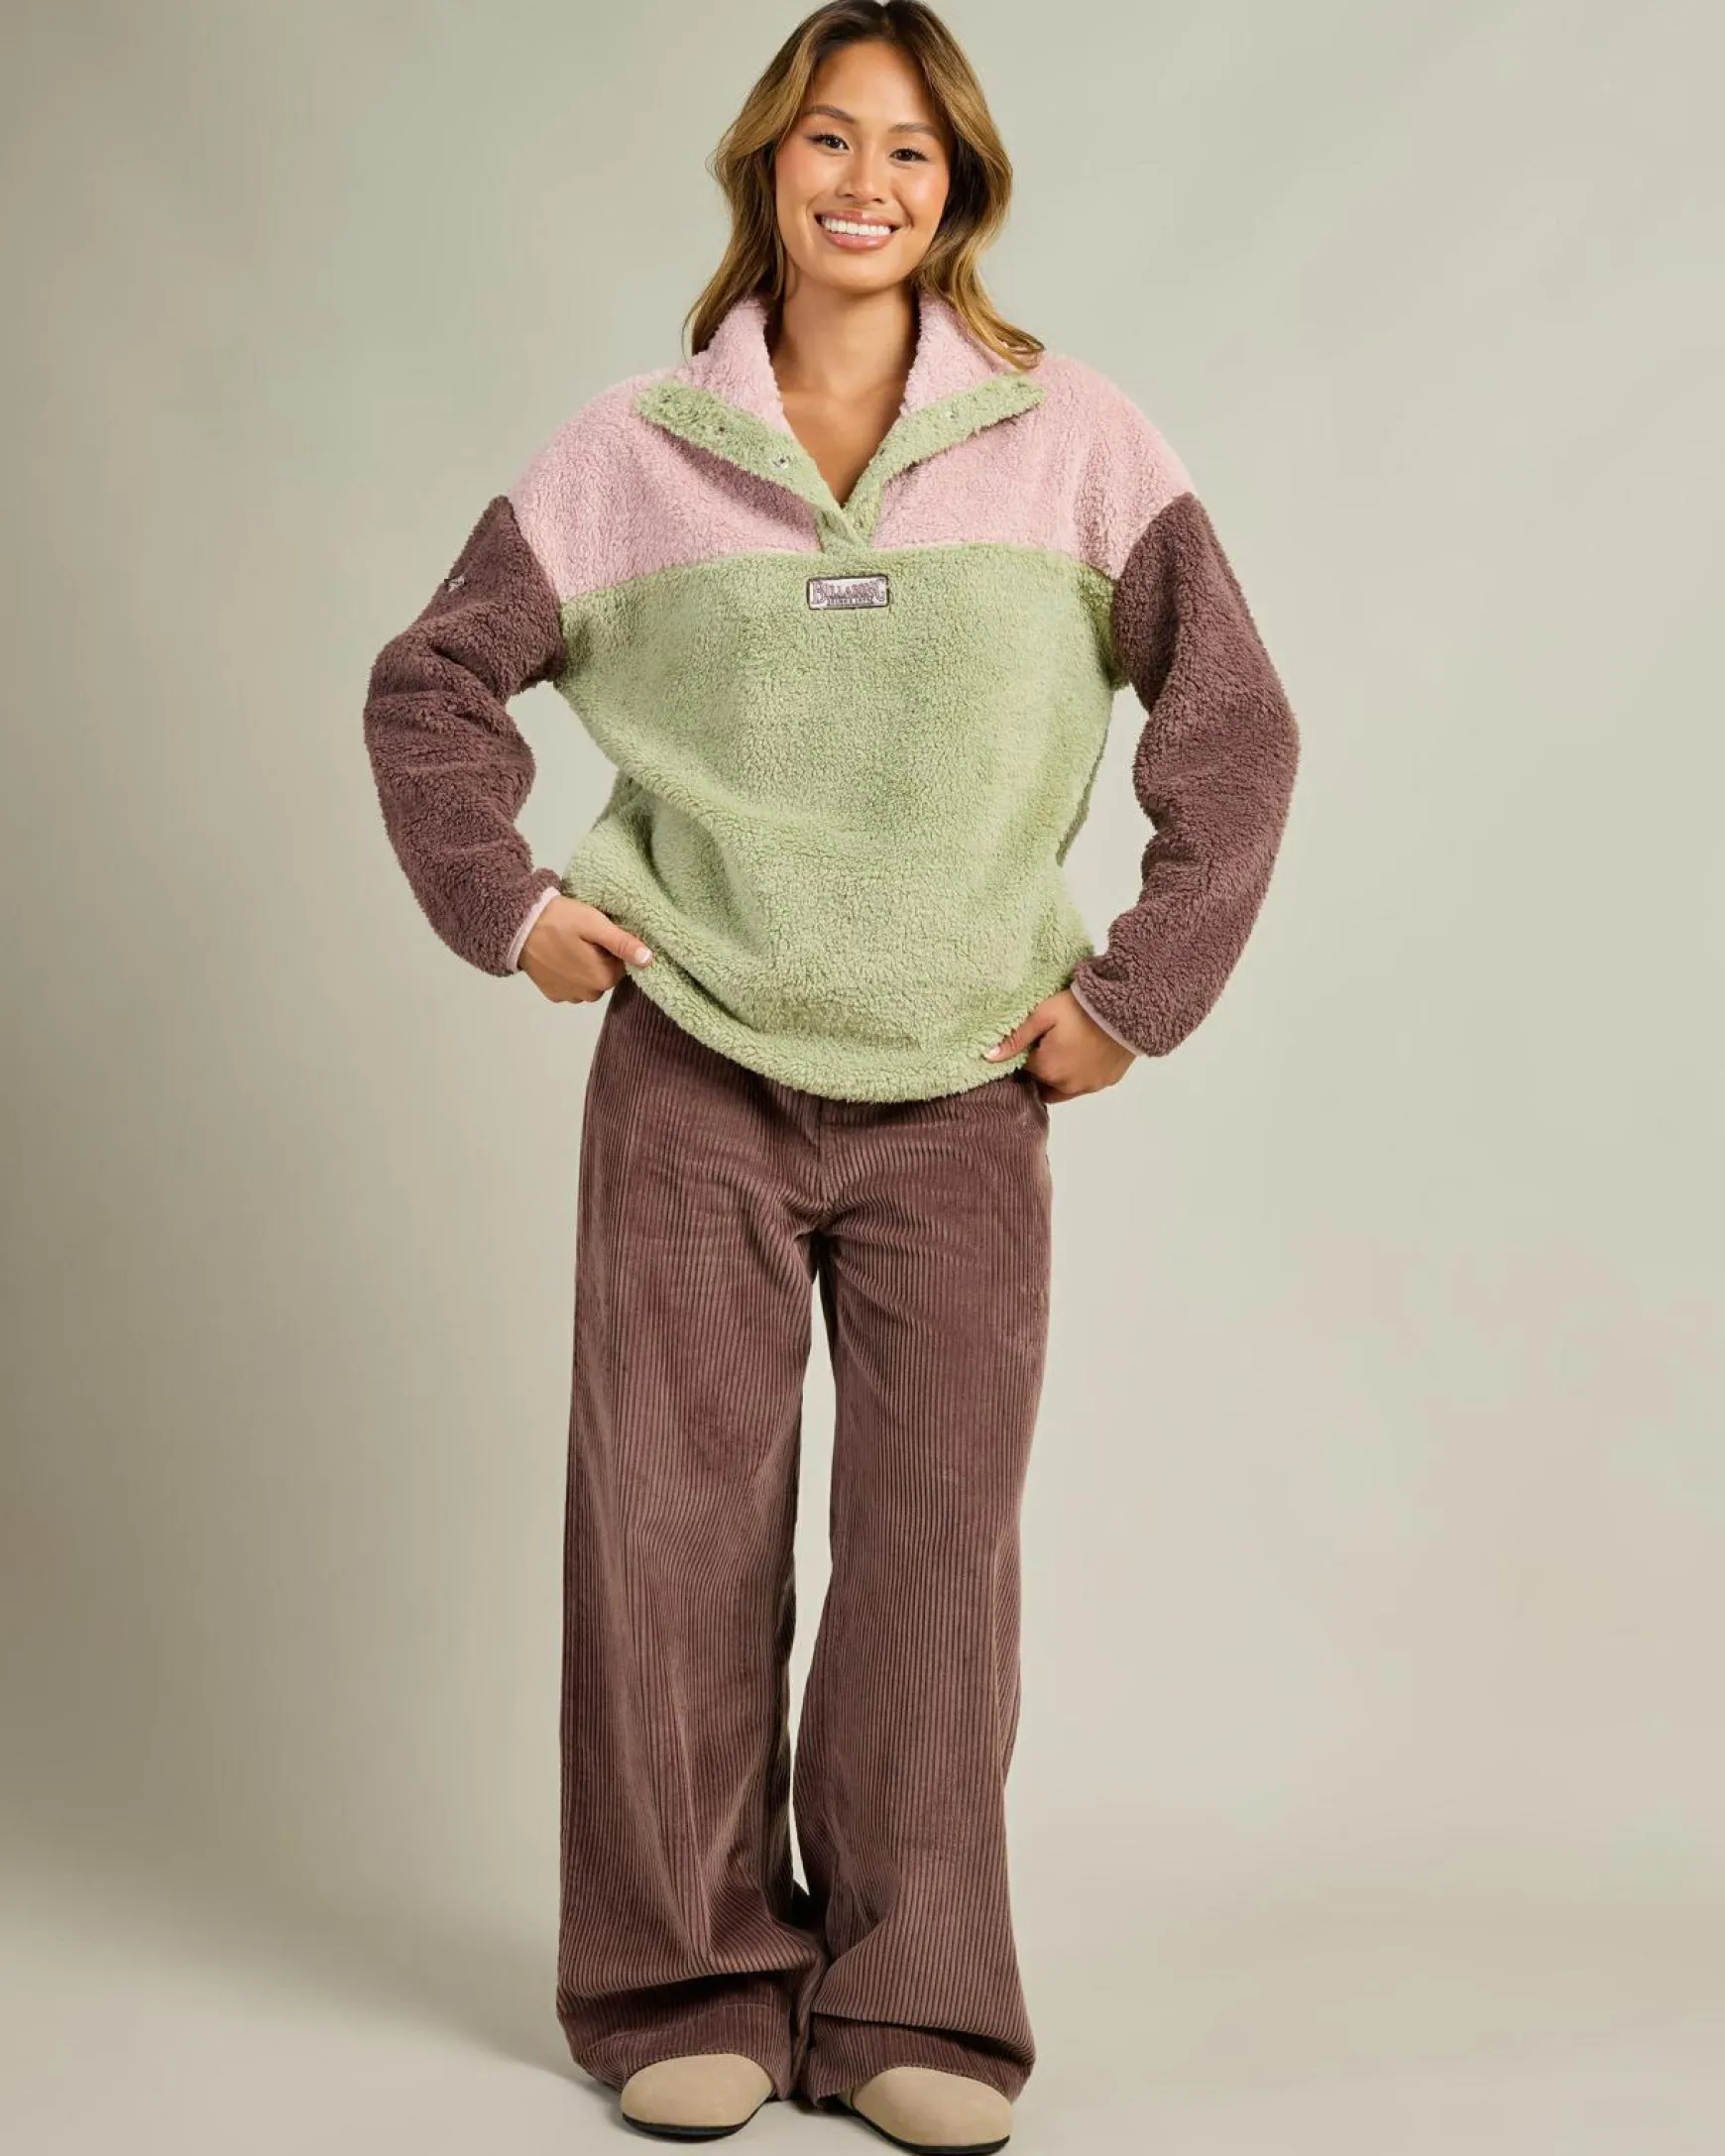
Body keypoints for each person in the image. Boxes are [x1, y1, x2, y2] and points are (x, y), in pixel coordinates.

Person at [362, 3, 1299, 2147]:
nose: (864, 182)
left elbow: (1238, 731)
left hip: (964, 1088)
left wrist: (1136, 993)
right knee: (672, 1535)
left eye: (908, 149)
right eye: (826, 140)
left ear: (958, 189)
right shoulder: (632, 446)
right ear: (763, 166)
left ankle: (915, 2002)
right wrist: (510, 906)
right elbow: (431, 688)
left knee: (932, 1561)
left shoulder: (1077, 440)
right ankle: (681, 1976)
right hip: (691, 1068)